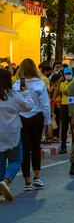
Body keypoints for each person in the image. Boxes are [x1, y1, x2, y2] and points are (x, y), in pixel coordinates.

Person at [12, 58, 51, 191]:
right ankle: (37, 177)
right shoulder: (40, 84)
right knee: (36, 147)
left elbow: (14, 104)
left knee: (24, 149)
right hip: (37, 118)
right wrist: (48, 123)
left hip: (22, 118)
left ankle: (27, 181)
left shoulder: (16, 85)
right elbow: (45, 104)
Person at [1, 68, 33, 203]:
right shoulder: (14, 95)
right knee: (16, 160)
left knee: (1, 162)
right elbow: (28, 107)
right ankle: (6, 181)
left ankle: (0, 189)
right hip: (12, 133)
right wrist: (26, 92)